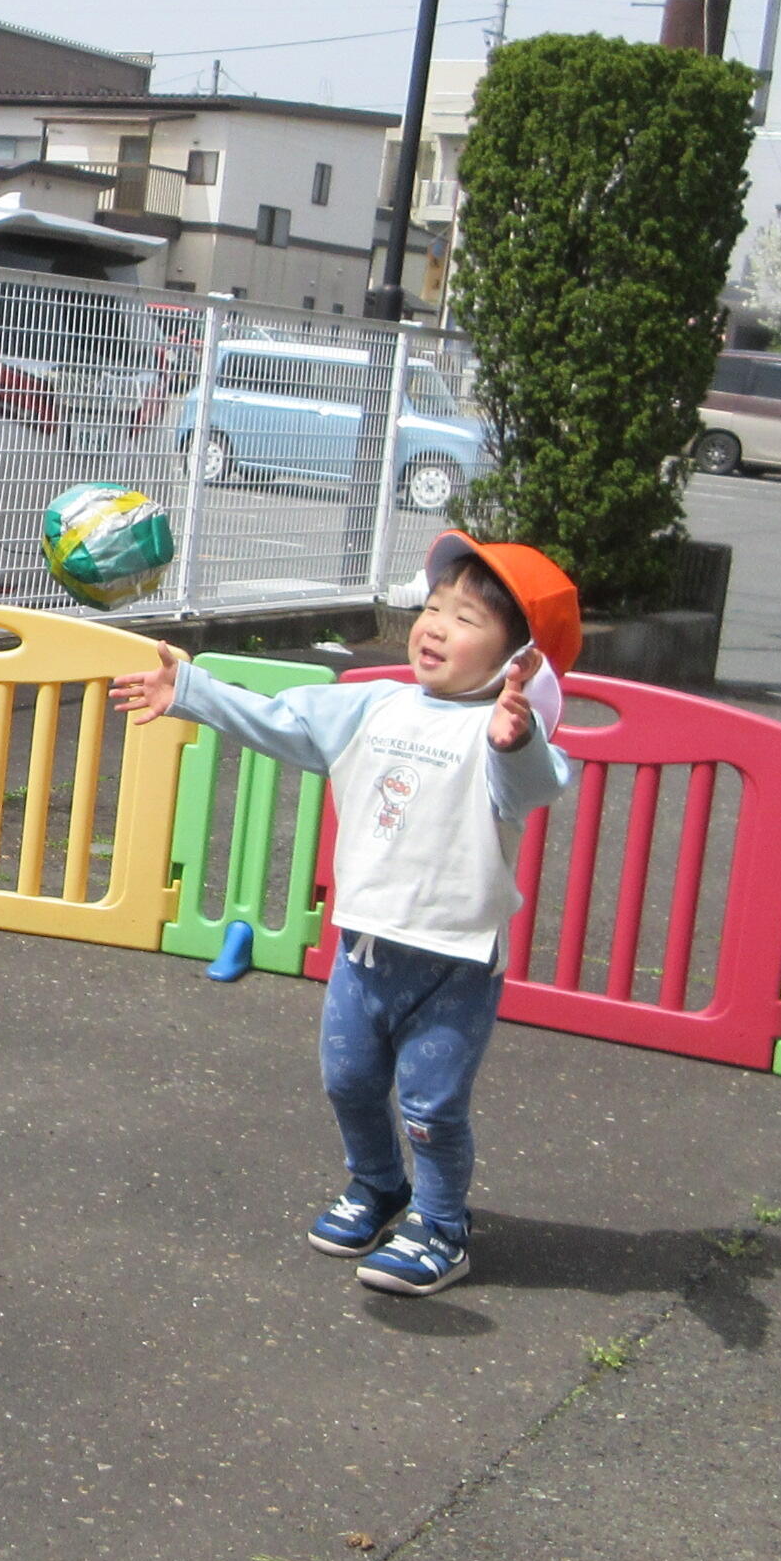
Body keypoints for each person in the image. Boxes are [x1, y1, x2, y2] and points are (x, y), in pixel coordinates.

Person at [109, 532, 579, 1297]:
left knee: (430, 1106)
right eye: (432, 607)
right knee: (350, 1082)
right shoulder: (377, 704)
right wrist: (192, 692)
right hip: (365, 949)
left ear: (518, 661)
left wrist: (518, 737)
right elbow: (288, 723)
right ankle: (378, 1186)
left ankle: (442, 1226)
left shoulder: (502, 735)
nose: (433, 626)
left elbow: (533, 785)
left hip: (454, 960)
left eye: (466, 620)